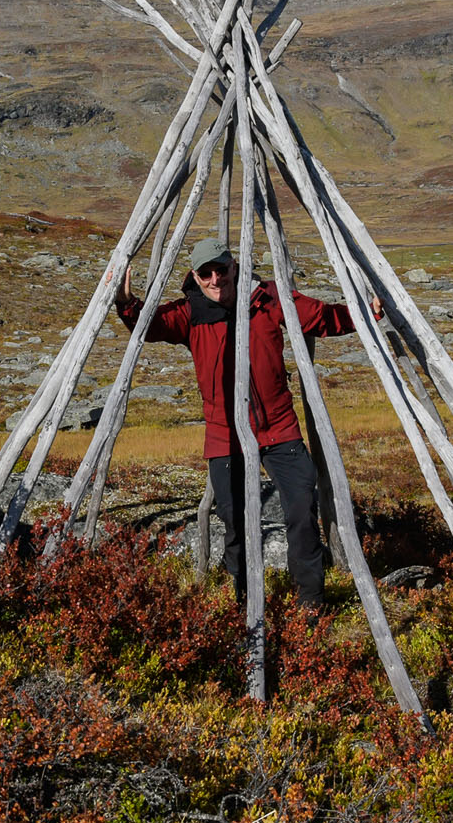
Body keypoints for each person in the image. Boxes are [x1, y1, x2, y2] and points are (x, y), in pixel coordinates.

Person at [116, 235, 379, 610]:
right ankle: (244, 601)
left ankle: (310, 602)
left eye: (220, 270)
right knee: (235, 521)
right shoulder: (190, 313)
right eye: (205, 273)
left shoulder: (266, 299)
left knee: (302, 508)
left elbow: (320, 317)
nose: (214, 280)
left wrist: (365, 313)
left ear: (233, 268)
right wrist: (125, 303)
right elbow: (150, 325)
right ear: (195, 275)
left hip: (278, 428)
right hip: (226, 436)